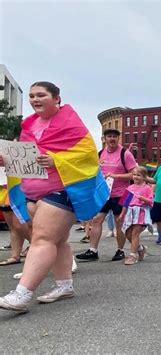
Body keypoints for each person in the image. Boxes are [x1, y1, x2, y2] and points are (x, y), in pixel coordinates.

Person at [0, 81, 107, 312]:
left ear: (57, 98)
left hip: (65, 188)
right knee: (58, 240)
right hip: (35, 190)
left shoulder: (70, 123)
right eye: (31, 96)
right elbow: (26, 157)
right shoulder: (29, 125)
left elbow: (88, 155)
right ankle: (64, 285)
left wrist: (57, 160)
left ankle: (22, 294)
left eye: (41, 95)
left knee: (42, 238)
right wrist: (7, 160)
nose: (35, 99)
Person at [76, 128, 136, 262]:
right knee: (97, 220)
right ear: (104, 139)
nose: (112, 139)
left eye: (115, 136)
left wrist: (116, 175)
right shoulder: (101, 153)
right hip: (103, 193)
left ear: (118, 138)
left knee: (119, 222)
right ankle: (93, 250)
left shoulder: (125, 154)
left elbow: (134, 174)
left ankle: (120, 250)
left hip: (121, 193)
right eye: (109, 136)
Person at [118, 167, 153, 265]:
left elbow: (151, 201)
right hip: (130, 213)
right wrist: (122, 214)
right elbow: (125, 203)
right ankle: (141, 248)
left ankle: (132, 255)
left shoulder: (147, 188)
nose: (136, 177)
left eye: (138, 175)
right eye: (134, 175)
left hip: (141, 212)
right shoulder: (130, 187)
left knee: (135, 234)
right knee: (128, 234)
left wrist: (143, 199)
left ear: (144, 177)